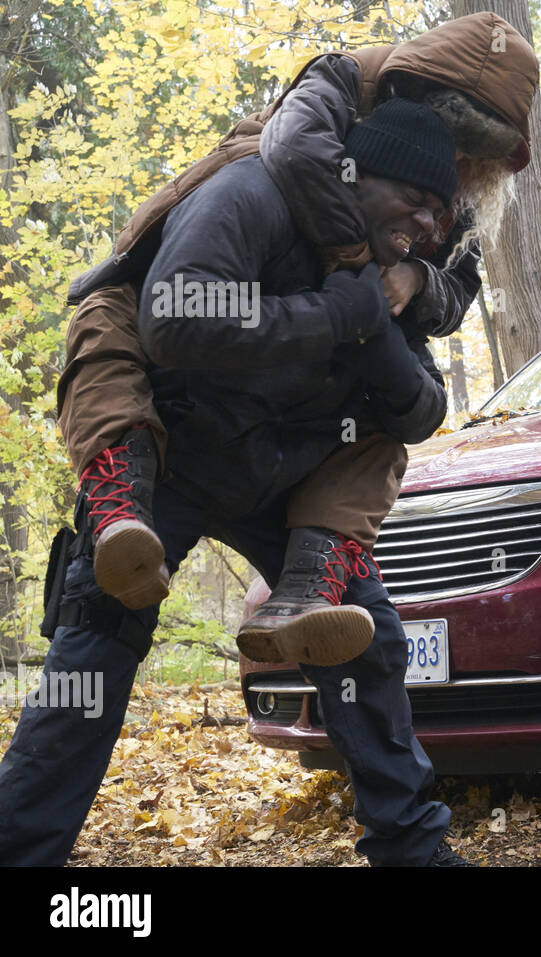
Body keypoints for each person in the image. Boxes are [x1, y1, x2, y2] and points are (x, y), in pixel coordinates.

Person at [0, 103, 474, 866]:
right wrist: (332, 314)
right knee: (95, 640)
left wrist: (376, 313)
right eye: (412, 200)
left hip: (291, 479)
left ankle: (413, 851)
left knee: (367, 643)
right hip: (173, 451)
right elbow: (176, 315)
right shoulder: (252, 194)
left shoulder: (390, 276)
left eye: (437, 214)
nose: (424, 222)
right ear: (355, 173)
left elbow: (419, 408)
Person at [57, 11, 538, 665]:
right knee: (108, 351)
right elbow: (297, 152)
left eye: (464, 159)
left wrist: (415, 280)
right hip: (171, 371)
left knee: (370, 596)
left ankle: (313, 588)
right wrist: (354, 271)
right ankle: (119, 508)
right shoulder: (321, 111)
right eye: (444, 142)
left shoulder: (429, 204)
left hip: (287, 423)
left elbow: (455, 293)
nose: (448, 165)